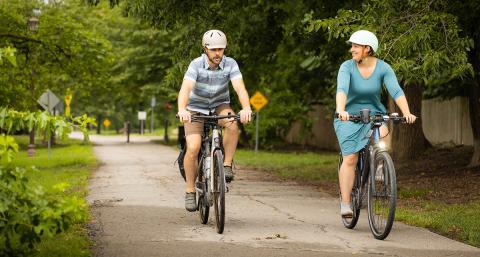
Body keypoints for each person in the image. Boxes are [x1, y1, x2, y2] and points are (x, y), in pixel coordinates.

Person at [334, 30, 416, 217]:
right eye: (352, 46)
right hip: (349, 116)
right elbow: (342, 89)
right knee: (350, 159)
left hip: (374, 114)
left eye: (355, 46)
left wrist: (407, 112)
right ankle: (346, 203)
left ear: (367, 49)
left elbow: (396, 90)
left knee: (383, 130)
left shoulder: (383, 68)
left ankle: (380, 163)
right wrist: (341, 110)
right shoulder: (347, 67)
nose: (352, 50)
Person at [177, 29, 252, 212]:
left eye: (221, 49)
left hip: (219, 105)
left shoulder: (230, 64)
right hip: (195, 108)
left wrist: (246, 107)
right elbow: (186, 88)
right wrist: (182, 109)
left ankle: (226, 165)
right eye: (214, 50)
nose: (218, 53)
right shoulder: (195, 65)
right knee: (193, 147)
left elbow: (239, 88)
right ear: (205, 49)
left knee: (232, 124)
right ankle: (190, 191)